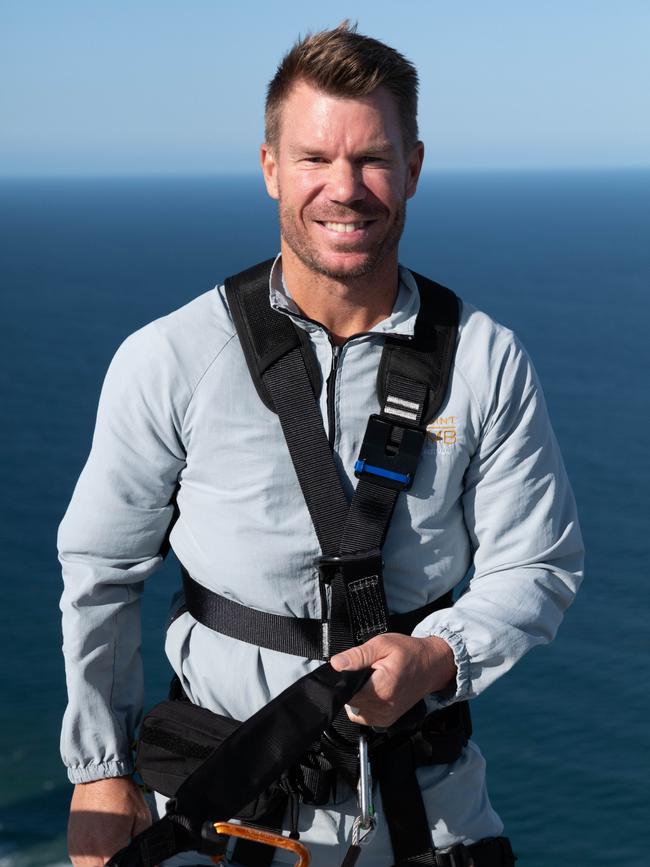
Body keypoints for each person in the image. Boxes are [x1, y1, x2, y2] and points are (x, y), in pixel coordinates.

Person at [59, 22, 584, 867]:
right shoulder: (173, 357)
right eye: (314, 159)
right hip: (221, 809)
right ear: (270, 168)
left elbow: (540, 565)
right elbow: (100, 570)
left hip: (425, 809)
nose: (345, 188)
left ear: (413, 166)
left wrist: (438, 654)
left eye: (373, 159)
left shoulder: (486, 360)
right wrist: (99, 769)